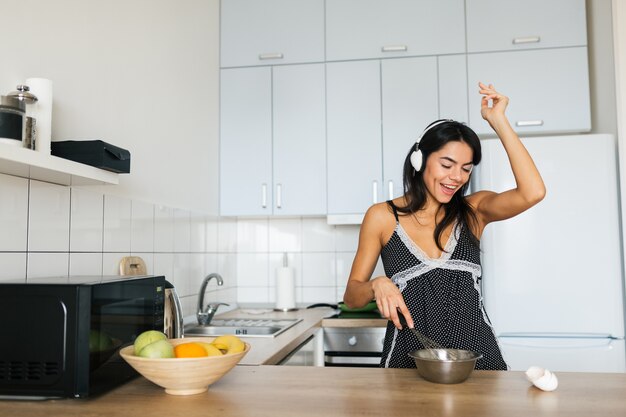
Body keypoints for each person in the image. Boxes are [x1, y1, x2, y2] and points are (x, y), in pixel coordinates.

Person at [342, 82, 546, 369]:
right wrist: (377, 284)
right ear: (420, 159)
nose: (456, 177)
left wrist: (498, 121)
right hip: (406, 364)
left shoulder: (474, 212)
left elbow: (533, 192)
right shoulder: (383, 217)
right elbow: (351, 296)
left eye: (466, 168)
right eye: (447, 164)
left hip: (480, 364)